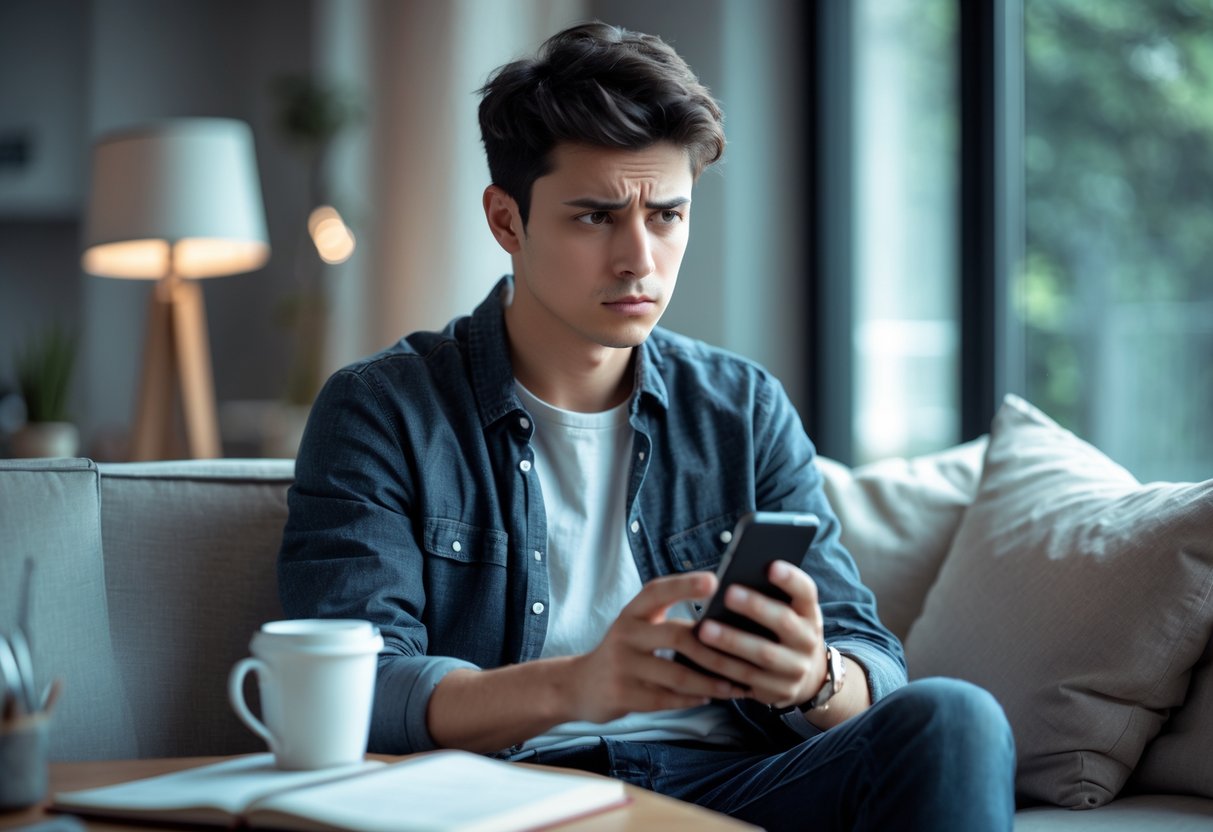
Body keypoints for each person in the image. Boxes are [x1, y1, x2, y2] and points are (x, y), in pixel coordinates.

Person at [279, 21, 1016, 831]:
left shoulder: (742, 407)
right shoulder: (382, 410)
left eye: (666, 215)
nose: (639, 259)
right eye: (595, 217)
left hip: (733, 785)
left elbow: (871, 661)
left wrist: (813, 680)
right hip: (513, 793)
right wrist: (578, 685)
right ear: (506, 221)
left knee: (956, 719)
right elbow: (355, 689)